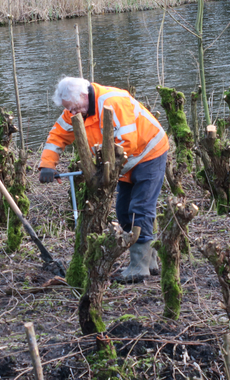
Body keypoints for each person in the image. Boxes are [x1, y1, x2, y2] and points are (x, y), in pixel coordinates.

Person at [39, 76, 169, 281]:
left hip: (148, 153)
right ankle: (150, 261)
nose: (72, 113)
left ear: (83, 95)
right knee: (123, 210)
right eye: (69, 109)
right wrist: (47, 164)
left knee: (140, 208)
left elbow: (127, 142)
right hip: (124, 163)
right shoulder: (76, 108)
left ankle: (139, 267)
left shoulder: (113, 103)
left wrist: (105, 172)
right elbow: (58, 135)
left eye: (74, 108)